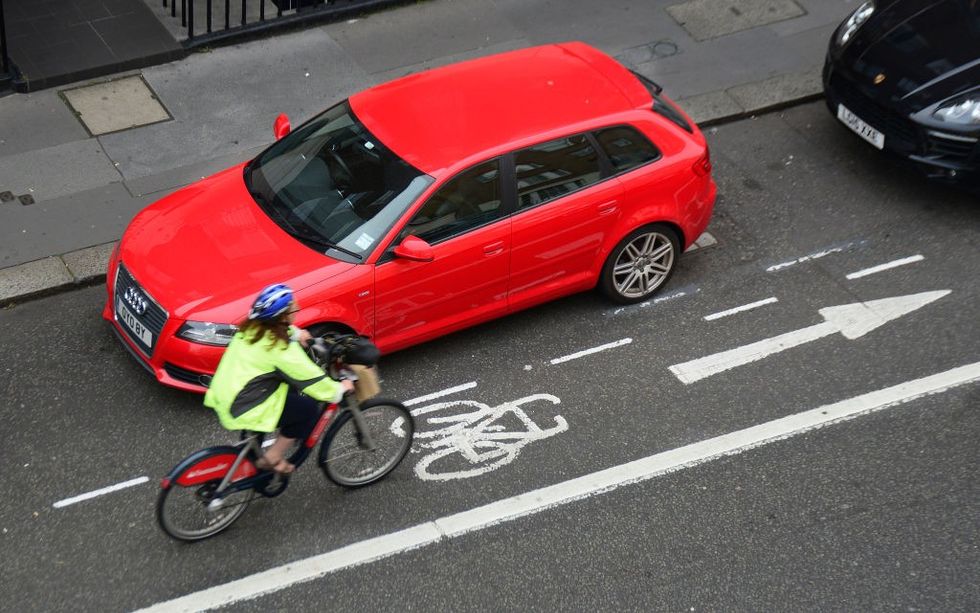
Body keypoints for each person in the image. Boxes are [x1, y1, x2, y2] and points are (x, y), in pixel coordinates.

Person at [203, 283, 354, 474]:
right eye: (293, 308)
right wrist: (340, 389)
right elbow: (311, 380)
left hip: (228, 393)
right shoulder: (281, 351)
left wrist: (297, 333)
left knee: (282, 399)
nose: (296, 309)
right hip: (245, 404)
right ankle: (272, 457)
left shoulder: (251, 330)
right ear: (282, 317)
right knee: (307, 409)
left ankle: (250, 459)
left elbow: (278, 331)